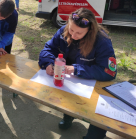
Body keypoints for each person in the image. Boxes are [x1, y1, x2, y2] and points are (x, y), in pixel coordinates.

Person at [39, 8, 117, 139]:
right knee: (69, 99)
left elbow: (109, 72)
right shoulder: (63, 31)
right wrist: (48, 63)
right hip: (72, 81)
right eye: (71, 29)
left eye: (79, 33)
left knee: (98, 115)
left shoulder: (102, 41)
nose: (73, 35)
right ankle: (68, 117)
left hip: (95, 84)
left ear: (90, 31)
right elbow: (47, 49)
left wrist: (75, 69)